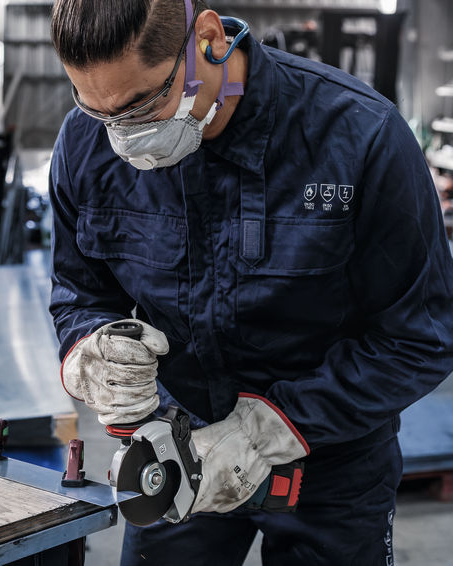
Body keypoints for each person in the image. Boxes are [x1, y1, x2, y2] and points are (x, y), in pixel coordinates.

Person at [47, 1, 453, 564]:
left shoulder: (360, 135)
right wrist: (92, 350)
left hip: (331, 462)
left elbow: (422, 335)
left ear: (209, 40)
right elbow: (79, 295)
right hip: (176, 451)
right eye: (97, 110)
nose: (125, 138)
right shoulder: (84, 144)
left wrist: (270, 430)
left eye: (143, 104)